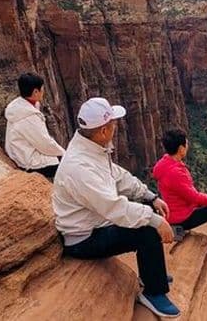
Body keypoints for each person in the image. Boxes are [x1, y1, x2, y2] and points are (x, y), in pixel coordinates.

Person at [52, 98, 180, 318]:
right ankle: (154, 292)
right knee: (147, 231)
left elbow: (118, 177)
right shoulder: (79, 167)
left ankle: (152, 274)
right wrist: (156, 221)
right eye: (113, 123)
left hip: (97, 223)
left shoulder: (91, 148)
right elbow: (115, 208)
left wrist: (149, 197)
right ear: (103, 130)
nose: (116, 127)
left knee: (143, 216)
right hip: (84, 239)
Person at [4, 72, 65, 180]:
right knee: (66, 167)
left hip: (21, 151)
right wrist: (64, 153)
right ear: (35, 92)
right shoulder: (28, 117)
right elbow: (44, 143)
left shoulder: (19, 106)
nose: (44, 91)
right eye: (42, 89)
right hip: (27, 160)